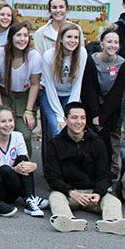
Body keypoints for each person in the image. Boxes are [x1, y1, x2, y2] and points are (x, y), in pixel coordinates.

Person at [44, 102, 125, 235]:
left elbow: (104, 174)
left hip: (93, 193)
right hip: (70, 193)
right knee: (55, 197)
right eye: (74, 117)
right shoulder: (55, 144)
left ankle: (112, 223)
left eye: (82, 118)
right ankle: (68, 221)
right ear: (66, 120)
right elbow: (52, 177)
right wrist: (71, 192)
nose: (79, 122)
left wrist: (98, 193)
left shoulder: (97, 142)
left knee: (113, 201)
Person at [0, 105, 47, 217]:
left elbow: (25, 160)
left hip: (14, 185)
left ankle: (30, 200)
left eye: (10, 120)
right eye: (3, 121)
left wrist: (33, 165)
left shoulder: (17, 136)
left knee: (23, 160)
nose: (8, 124)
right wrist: (15, 169)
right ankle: (30, 198)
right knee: (5, 169)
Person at [80, 26, 125, 176]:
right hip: (91, 104)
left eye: (116, 42)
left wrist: (102, 118)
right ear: (102, 44)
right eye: (109, 41)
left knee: (106, 140)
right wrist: (95, 114)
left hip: (110, 108)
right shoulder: (91, 60)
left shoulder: (123, 64)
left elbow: (117, 93)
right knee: (89, 137)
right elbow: (89, 88)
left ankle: (106, 173)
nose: (112, 45)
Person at [0, 22, 41, 158]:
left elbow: (35, 84)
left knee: (25, 134)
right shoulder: (0, 53)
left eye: (25, 35)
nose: (22, 39)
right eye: (18, 35)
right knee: (3, 130)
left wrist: (29, 110)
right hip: (3, 94)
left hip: (24, 97)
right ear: (11, 37)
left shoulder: (34, 56)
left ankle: (25, 164)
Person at [39, 22, 87, 160]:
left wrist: (70, 112)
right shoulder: (49, 56)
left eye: (76, 38)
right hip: (49, 94)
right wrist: (61, 116)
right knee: (57, 128)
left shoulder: (82, 53)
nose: (73, 41)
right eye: (69, 37)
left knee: (73, 127)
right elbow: (50, 88)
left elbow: (78, 85)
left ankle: (71, 164)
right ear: (61, 38)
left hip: (70, 94)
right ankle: (55, 166)